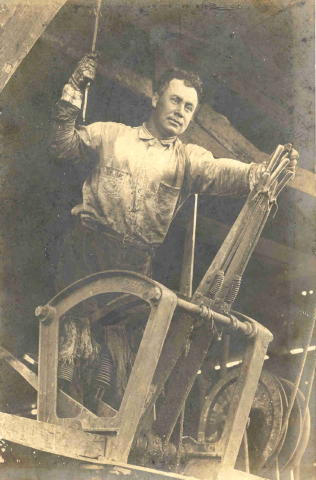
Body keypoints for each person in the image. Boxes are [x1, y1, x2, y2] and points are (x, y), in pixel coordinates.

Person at [50, 53, 298, 411]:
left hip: (135, 263)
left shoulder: (187, 159)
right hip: (86, 252)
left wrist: (257, 174)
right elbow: (61, 147)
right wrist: (72, 92)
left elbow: (219, 171)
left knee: (116, 353)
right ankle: (61, 408)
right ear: (155, 98)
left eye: (189, 107)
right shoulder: (110, 136)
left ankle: (102, 417)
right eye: (175, 100)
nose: (181, 111)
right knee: (70, 347)